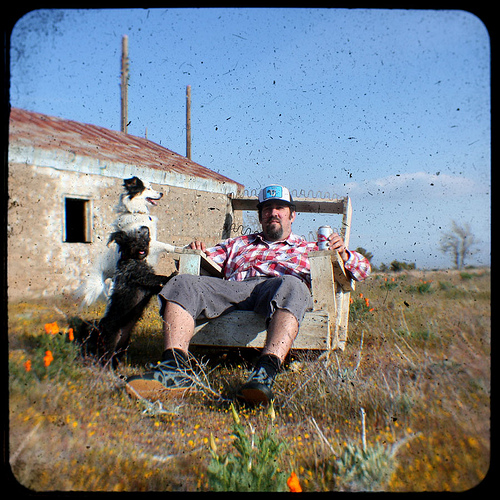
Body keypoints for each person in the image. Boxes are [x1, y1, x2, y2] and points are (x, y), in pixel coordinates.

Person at [126, 185, 371, 404]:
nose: (273, 213)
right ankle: (174, 368)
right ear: (260, 216)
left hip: (279, 289)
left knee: (294, 284)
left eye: (280, 208)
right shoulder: (238, 243)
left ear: (292, 215)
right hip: (235, 289)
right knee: (182, 282)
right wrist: (195, 251)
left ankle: (265, 372)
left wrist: (343, 254)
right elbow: (207, 258)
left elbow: (363, 270)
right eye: (267, 209)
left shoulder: (310, 248)